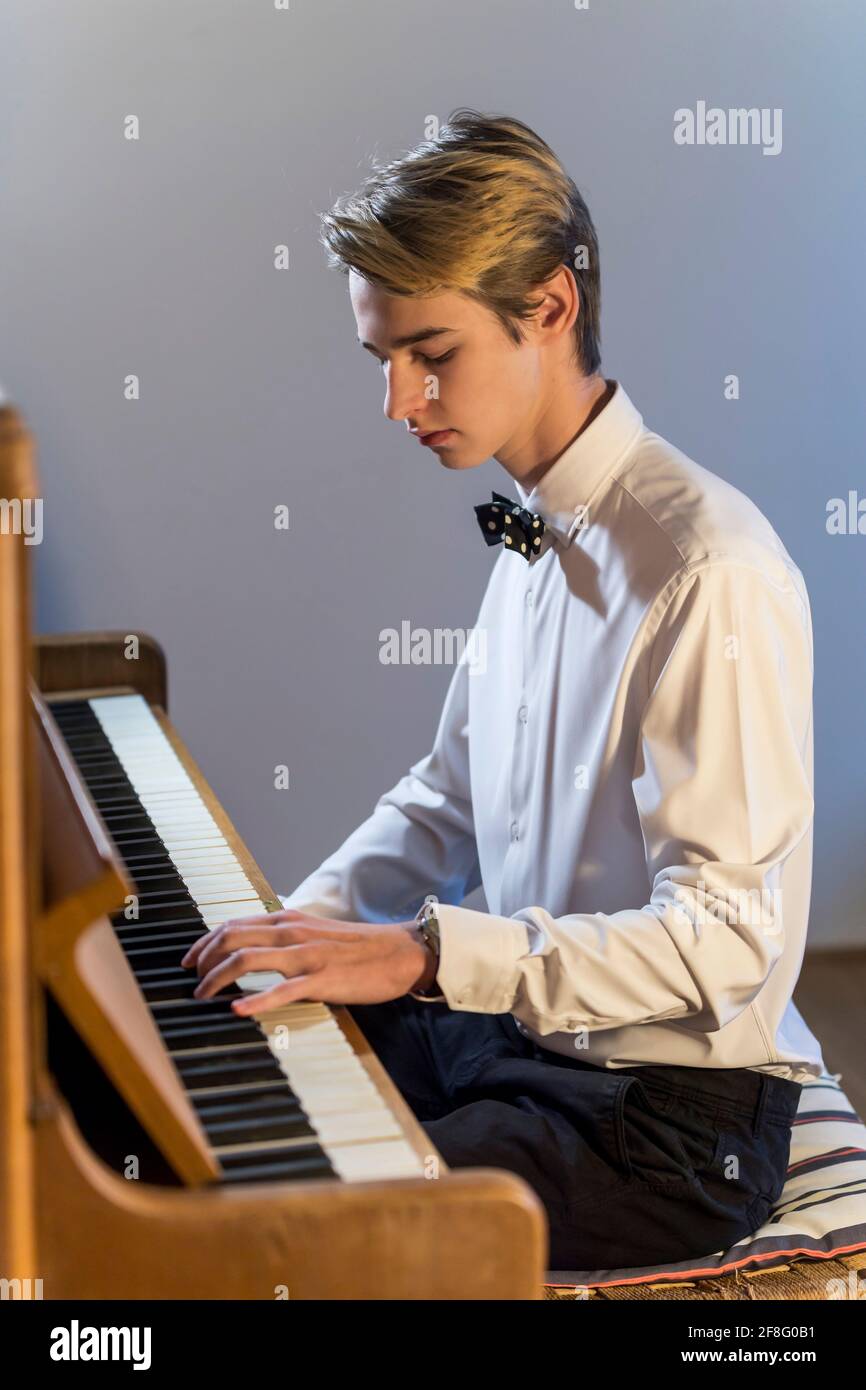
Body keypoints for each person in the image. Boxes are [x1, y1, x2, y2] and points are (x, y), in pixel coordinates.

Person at [181, 109, 825, 1272]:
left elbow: (727, 941)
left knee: (309, 1228)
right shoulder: (534, 530)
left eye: (431, 355)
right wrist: (291, 928)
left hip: (666, 1119)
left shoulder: (707, 568)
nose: (400, 402)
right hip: (513, 1034)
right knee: (211, 1080)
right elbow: (445, 795)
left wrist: (426, 954)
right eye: (383, 363)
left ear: (548, 306)